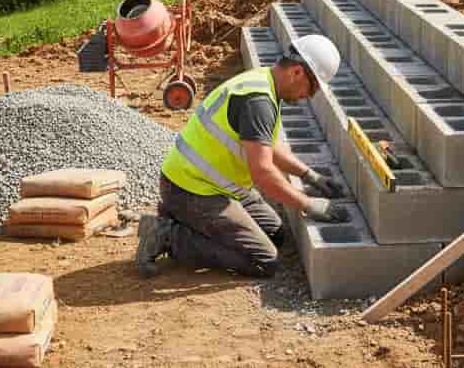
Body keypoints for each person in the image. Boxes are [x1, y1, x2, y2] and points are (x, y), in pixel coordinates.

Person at [136, 34, 350, 278]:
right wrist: (309, 204)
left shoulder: (265, 84)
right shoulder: (257, 102)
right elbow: (263, 173)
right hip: (189, 190)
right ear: (298, 73)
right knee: (263, 260)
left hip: (217, 186)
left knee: (276, 233)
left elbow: (266, 144)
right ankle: (166, 234)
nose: (308, 97)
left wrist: (310, 176)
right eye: (312, 90)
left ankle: (186, 222)